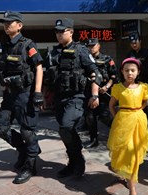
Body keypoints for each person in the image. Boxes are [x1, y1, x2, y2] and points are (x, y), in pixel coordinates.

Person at [47, 18, 102, 178]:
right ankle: (72, 162)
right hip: (59, 99)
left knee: (66, 127)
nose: (58, 34)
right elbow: (47, 78)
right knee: (65, 132)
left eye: (62, 31)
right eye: (56, 31)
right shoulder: (53, 53)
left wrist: (94, 95)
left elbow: (95, 73)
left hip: (76, 97)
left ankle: (78, 161)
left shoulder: (81, 51)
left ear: (71, 31)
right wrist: (44, 97)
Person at [0, 11, 44, 184]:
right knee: (0, 127)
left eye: (10, 22)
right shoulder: (4, 45)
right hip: (9, 94)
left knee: (27, 131)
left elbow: (39, 67)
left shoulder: (28, 44)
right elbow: (3, 67)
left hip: (25, 93)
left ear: (19, 25)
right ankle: (24, 150)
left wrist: (37, 92)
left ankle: (30, 166)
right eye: (4, 23)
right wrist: (1, 78)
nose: (6, 25)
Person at [107, 57, 148, 195]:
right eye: (126, 70)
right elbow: (111, 105)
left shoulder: (144, 87)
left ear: (138, 72)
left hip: (139, 123)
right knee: (129, 155)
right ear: (122, 72)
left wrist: (137, 111)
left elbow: (145, 102)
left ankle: (128, 182)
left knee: (134, 155)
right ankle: (133, 194)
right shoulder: (118, 88)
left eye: (133, 70)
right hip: (123, 123)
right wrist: (118, 118)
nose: (129, 73)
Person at [83, 38, 118, 148]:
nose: (91, 48)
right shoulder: (85, 59)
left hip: (103, 94)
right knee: (90, 117)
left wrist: (106, 87)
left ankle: (119, 133)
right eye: (89, 46)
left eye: (93, 45)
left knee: (105, 117)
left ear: (99, 46)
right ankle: (94, 140)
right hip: (90, 93)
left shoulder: (107, 59)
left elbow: (114, 76)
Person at [126, 32, 148, 116]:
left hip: (145, 83)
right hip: (133, 83)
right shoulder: (129, 54)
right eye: (132, 43)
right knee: (133, 105)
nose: (134, 45)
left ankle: (144, 126)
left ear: (140, 41)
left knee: (143, 106)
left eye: (135, 42)